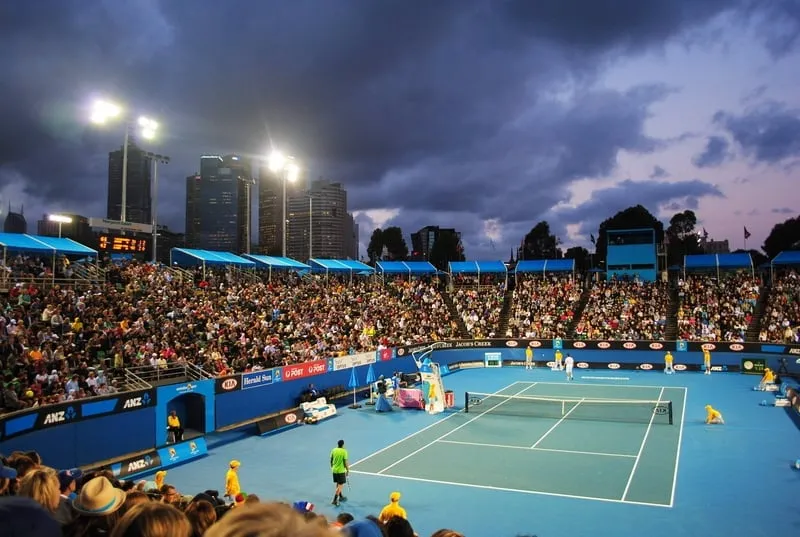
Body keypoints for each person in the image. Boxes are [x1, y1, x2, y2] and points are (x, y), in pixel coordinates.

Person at [330, 439, 349, 506]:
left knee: (338, 483)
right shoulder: (344, 451)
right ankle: (334, 500)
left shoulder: (334, 450)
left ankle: (340, 496)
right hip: (340, 471)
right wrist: (347, 470)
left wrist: (332, 467)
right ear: (343, 444)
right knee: (340, 486)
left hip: (334, 470)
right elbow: (345, 462)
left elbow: (331, 459)